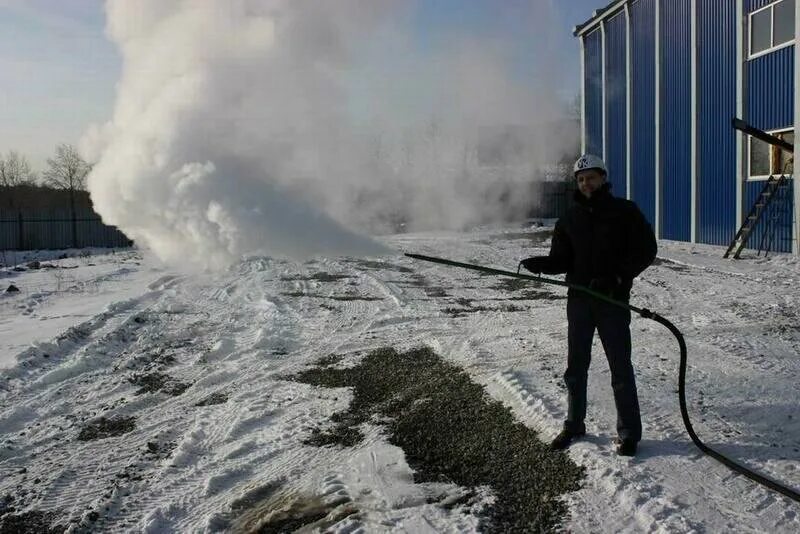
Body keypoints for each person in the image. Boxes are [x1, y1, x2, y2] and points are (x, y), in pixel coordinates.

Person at [520, 154, 657, 456]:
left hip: (612, 301)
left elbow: (647, 249)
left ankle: (629, 433)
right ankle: (574, 423)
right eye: (581, 179)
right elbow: (562, 260)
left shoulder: (625, 212)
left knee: (620, 367)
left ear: (604, 178)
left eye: (591, 177)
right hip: (580, 301)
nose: (586, 183)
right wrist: (541, 264)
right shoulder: (569, 219)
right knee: (576, 366)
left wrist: (619, 277)